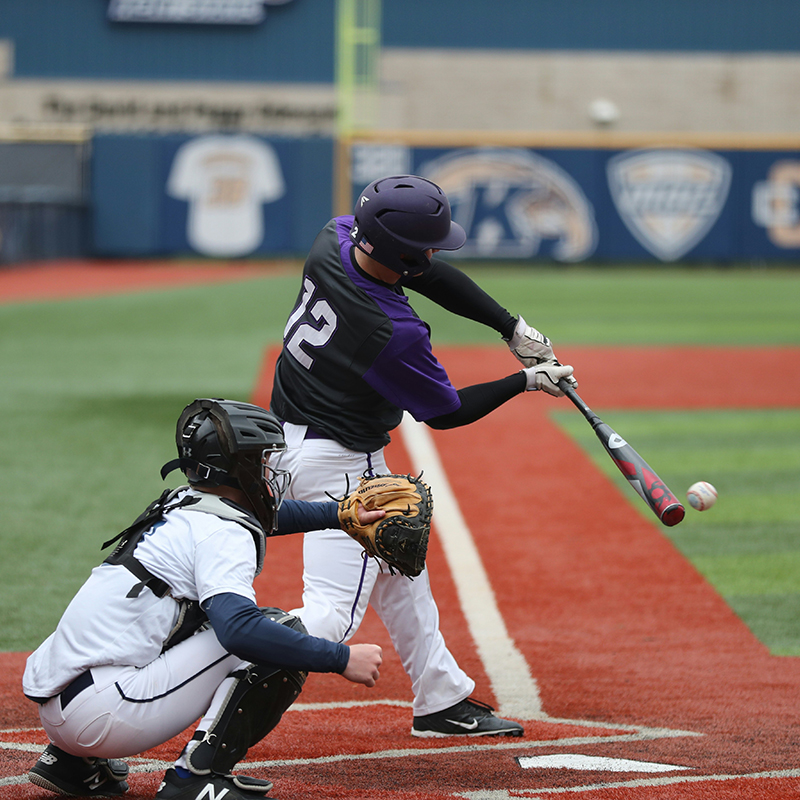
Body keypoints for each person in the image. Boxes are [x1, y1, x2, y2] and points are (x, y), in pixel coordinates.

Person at [269, 174, 576, 738]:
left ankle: (440, 697)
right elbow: (446, 412)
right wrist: (526, 380)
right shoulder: (393, 332)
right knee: (330, 617)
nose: (437, 251)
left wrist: (509, 326)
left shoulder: (333, 239)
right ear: (400, 254)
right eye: (428, 244)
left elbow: (424, 270)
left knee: (400, 565)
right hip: (341, 464)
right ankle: (208, 660)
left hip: (284, 440)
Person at [23, 398, 384, 800]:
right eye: (262, 460)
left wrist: (340, 515)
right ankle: (195, 776)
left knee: (193, 616)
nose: (269, 470)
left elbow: (269, 516)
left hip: (62, 708)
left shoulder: (184, 502)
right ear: (240, 468)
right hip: (106, 714)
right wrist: (342, 659)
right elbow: (240, 632)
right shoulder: (221, 535)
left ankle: (73, 764)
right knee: (272, 631)